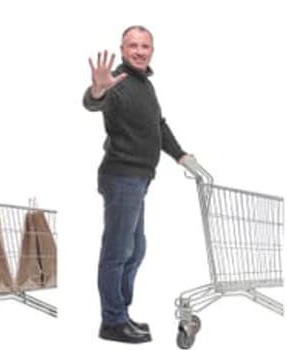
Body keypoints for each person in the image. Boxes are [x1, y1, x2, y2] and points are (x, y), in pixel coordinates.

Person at [80, 25, 193, 344]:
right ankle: (112, 320)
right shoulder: (118, 80)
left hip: (140, 177)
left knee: (136, 248)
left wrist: (180, 154)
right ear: (122, 49)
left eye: (145, 46)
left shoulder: (145, 85)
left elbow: (158, 125)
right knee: (118, 250)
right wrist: (98, 91)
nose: (140, 51)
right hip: (121, 175)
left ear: (152, 51)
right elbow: (93, 101)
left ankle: (120, 312)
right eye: (133, 46)